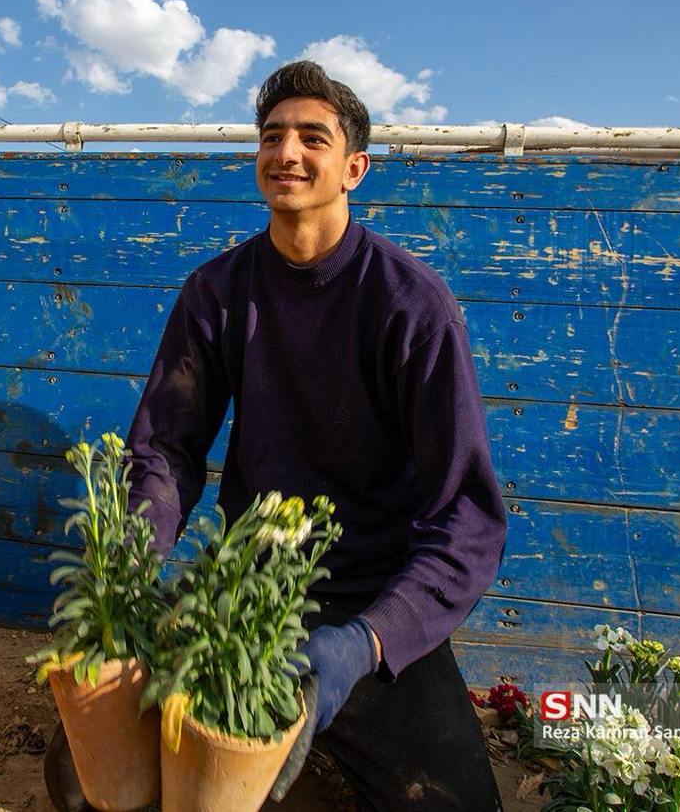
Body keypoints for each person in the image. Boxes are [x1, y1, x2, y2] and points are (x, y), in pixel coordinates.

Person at [44, 60, 508, 811]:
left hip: (367, 606)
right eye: (272, 135)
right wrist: (125, 567)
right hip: (240, 600)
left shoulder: (411, 306)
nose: (286, 152)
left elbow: (468, 516)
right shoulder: (218, 293)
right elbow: (166, 448)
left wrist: (368, 641)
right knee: (84, 778)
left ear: (354, 167)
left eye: (311, 137)